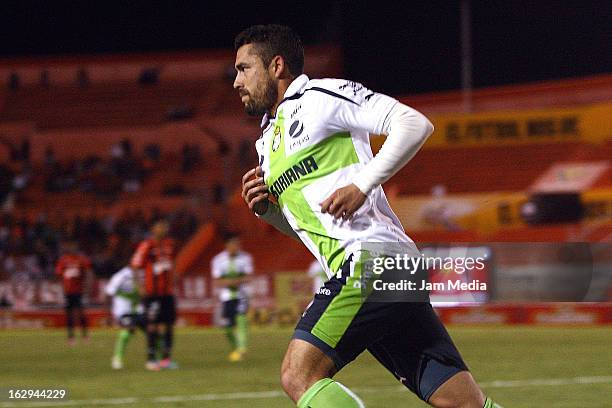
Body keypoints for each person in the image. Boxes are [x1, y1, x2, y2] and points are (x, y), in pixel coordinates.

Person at [236, 25, 502, 408]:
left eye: (244, 69)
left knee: (299, 374)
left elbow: (413, 123)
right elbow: (311, 229)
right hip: (388, 269)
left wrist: (363, 182)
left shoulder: (319, 97)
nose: (236, 81)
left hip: (373, 261)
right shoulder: (266, 143)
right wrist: (269, 213)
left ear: (277, 66)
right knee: (462, 402)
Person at [130, 220, 178, 371]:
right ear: (153, 229)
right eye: (160, 226)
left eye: (165, 226)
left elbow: (172, 263)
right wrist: (140, 287)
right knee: (152, 325)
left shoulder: (170, 244)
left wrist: (173, 278)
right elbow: (135, 266)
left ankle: (166, 359)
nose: (164, 228)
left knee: (169, 325)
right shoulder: (147, 245)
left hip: (167, 293)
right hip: (152, 293)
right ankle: (151, 359)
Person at [211, 232, 253, 362]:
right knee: (227, 326)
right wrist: (235, 281)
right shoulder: (218, 260)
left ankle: (242, 349)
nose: (237, 246)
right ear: (227, 245)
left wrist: (230, 281)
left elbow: (248, 277)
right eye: (234, 244)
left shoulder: (245, 258)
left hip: (242, 295)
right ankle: (236, 348)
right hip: (226, 297)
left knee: (241, 319)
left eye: (238, 244)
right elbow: (216, 281)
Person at [105, 265, 146, 370]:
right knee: (128, 330)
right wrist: (108, 314)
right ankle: (117, 358)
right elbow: (108, 293)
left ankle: (160, 359)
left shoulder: (145, 273)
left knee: (152, 331)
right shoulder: (120, 276)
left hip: (139, 308)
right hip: (123, 309)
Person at [55, 241, 93, 345]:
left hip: (79, 291)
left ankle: (85, 335)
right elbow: (58, 274)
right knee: (69, 315)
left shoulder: (81, 259)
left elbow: (88, 272)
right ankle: (71, 337)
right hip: (67, 292)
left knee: (81, 313)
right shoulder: (63, 260)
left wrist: (87, 287)